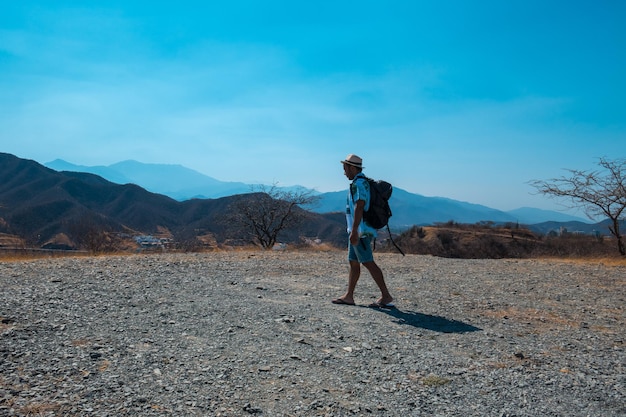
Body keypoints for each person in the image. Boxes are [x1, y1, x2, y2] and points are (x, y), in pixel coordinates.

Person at [332, 154, 394, 308]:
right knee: (353, 262)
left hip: (360, 231)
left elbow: (359, 206)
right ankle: (349, 296)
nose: (344, 172)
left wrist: (354, 231)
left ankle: (386, 296)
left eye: (345, 168)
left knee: (368, 262)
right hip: (358, 230)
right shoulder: (363, 182)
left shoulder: (358, 184)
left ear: (352, 167)